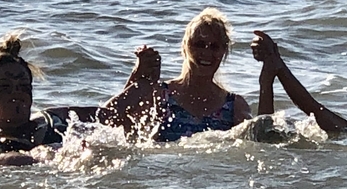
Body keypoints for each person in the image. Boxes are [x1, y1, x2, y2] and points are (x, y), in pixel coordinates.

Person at [0, 33, 101, 165]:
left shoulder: (54, 119)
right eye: (6, 87)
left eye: (23, 86)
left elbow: (113, 113)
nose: (16, 93)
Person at [102, 8, 252, 141]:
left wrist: (267, 77)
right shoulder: (161, 94)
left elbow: (261, 146)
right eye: (199, 44)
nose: (206, 53)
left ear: (224, 52)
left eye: (214, 47)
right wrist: (139, 77)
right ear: (185, 47)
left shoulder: (234, 106)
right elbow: (110, 120)